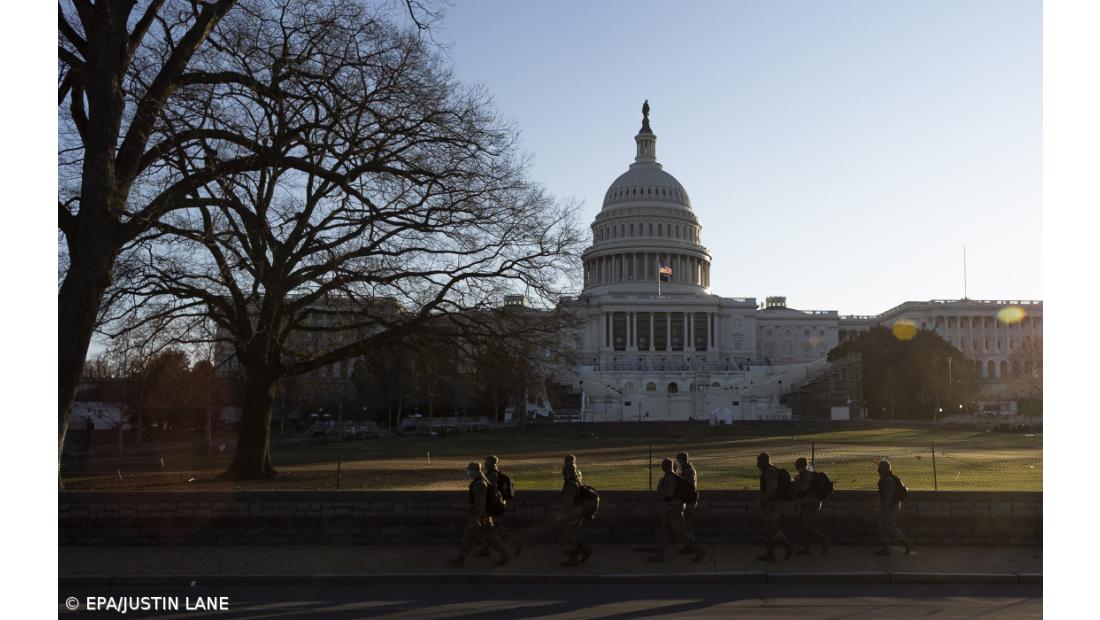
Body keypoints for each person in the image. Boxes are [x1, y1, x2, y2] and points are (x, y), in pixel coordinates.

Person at [446, 462, 512, 567]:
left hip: (481, 516)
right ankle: (505, 555)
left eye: (469, 471)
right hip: (484, 516)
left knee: (471, 536)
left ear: (474, 471)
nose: (467, 473)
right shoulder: (482, 481)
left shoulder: (479, 484)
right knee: (490, 537)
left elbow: (480, 502)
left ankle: (460, 559)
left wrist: (477, 518)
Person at [653, 458, 706, 562]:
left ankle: (699, 549)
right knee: (665, 532)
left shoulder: (669, 479)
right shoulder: (676, 477)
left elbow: (669, 494)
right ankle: (660, 555)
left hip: (673, 509)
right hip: (676, 508)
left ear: (664, 467)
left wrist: (660, 487)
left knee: (680, 532)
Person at [477, 455, 521, 558]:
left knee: (491, 527)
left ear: (490, 463)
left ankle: (514, 542)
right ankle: (485, 549)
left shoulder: (492, 474)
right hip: (495, 504)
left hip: (493, 505)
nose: (485, 464)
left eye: (486, 462)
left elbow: (490, 490)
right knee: (489, 527)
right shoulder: (495, 473)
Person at [756, 452, 794, 561]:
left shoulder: (769, 471)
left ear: (763, 461)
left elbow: (771, 489)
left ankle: (787, 544)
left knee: (770, 527)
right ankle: (770, 553)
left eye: (758, 460)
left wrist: (762, 503)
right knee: (766, 528)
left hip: (774, 503)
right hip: (772, 502)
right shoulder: (768, 470)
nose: (757, 463)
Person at [559, 454, 593, 567]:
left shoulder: (571, 484)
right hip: (578, 511)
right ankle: (581, 551)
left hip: (572, 513)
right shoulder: (577, 478)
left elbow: (567, 502)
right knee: (573, 534)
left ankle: (576, 556)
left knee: (570, 535)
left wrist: (562, 514)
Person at [876, 459, 913, 556]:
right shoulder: (887, 478)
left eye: (879, 469)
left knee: (886, 525)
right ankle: (886, 548)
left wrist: (884, 509)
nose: (878, 471)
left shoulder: (888, 480)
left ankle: (905, 542)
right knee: (884, 526)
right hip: (892, 505)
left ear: (883, 470)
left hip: (891, 506)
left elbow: (889, 496)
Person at [793, 457, 830, 555]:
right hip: (806, 503)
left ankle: (823, 540)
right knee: (804, 526)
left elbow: (803, 489)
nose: (797, 467)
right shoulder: (802, 476)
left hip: (812, 503)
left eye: (798, 465)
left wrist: (796, 484)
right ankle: (807, 548)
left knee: (807, 525)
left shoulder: (808, 476)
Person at [675, 452, 703, 555]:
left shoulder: (688, 471)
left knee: (687, 524)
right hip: (688, 499)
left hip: (689, 500)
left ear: (682, 460)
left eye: (678, 459)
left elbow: (685, 485)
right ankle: (689, 545)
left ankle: (691, 546)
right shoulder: (687, 470)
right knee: (686, 524)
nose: (677, 462)